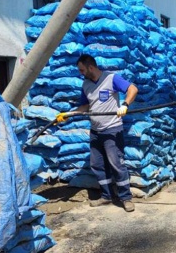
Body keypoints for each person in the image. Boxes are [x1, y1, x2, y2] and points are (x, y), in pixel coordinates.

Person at [57, 54, 138, 212]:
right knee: (97, 165)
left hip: (112, 129)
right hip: (95, 132)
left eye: (82, 70)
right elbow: (84, 107)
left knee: (117, 164)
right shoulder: (86, 84)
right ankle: (106, 196)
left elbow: (133, 89)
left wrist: (125, 104)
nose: (80, 73)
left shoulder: (111, 78)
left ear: (91, 67)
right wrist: (68, 115)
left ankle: (126, 198)